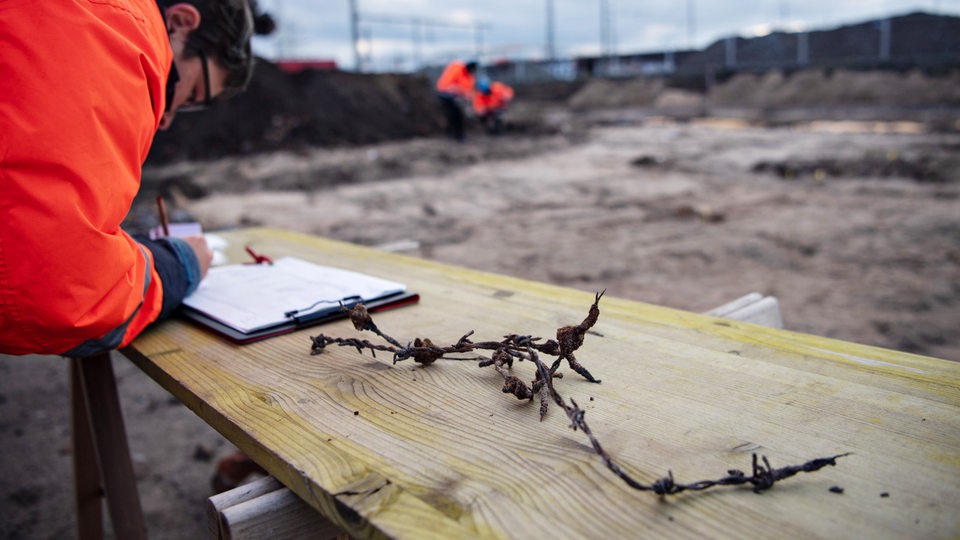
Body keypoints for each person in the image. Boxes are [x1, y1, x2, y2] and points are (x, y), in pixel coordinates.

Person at [0, 0, 256, 357]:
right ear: (181, 23)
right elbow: (56, 297)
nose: (168, 119)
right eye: (192, 94)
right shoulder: (116, 30)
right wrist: (179, 264)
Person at [435, 60, 477, 141]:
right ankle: (457, 134)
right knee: (455, 114)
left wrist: (468, 102)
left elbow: (468, 92)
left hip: (449, 95)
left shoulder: (468, 77)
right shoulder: (457, 69)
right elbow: (450, 85)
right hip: (446, 94)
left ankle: (454, 133)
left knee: (453, 114)